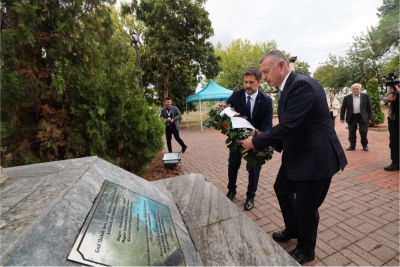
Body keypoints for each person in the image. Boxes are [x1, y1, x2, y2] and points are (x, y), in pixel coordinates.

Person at [240, 50, 347, 264]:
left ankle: (306, 249)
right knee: (282, 188)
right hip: (299, 154)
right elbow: (293, 125)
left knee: (306, 207)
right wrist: (271, 145)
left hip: (315, 158)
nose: (264, 77)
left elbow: (288, 125)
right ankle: (293, 228)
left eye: (266, 72)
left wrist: (256, 142)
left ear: (281, 65)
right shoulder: (287, 87)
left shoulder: (301, 85)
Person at [226, 66, 273, 211]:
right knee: (233, 165)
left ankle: (250, 196)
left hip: (255, 142)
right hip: (237, 141)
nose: (247, 85)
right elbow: (226, 112)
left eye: (251, 82)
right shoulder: (236, 96)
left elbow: (267, 125)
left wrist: (258, 140)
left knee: (254, 169)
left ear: (259, 82)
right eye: (245, 82)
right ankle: (231, 190)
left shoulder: (266, 101)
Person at [340, 83, 372, 151]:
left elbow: (369, 108)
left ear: (360, 89)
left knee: (363, 131)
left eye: (357, 89)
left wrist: (370, 118)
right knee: (351, 132)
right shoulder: (347, 98)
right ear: (351, 90)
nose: (355, 90)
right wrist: (342, 118)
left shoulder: (366, 96)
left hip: (362, 116)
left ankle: (365, 145)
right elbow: (343, 108)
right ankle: (352, 145)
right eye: (353, 89)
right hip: (352, 117)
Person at [384, 84, 399, 171]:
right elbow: (384, 99)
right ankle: (396, 162)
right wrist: (389, 99)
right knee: (394, 140)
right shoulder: (392, 89)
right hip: (393, 118)